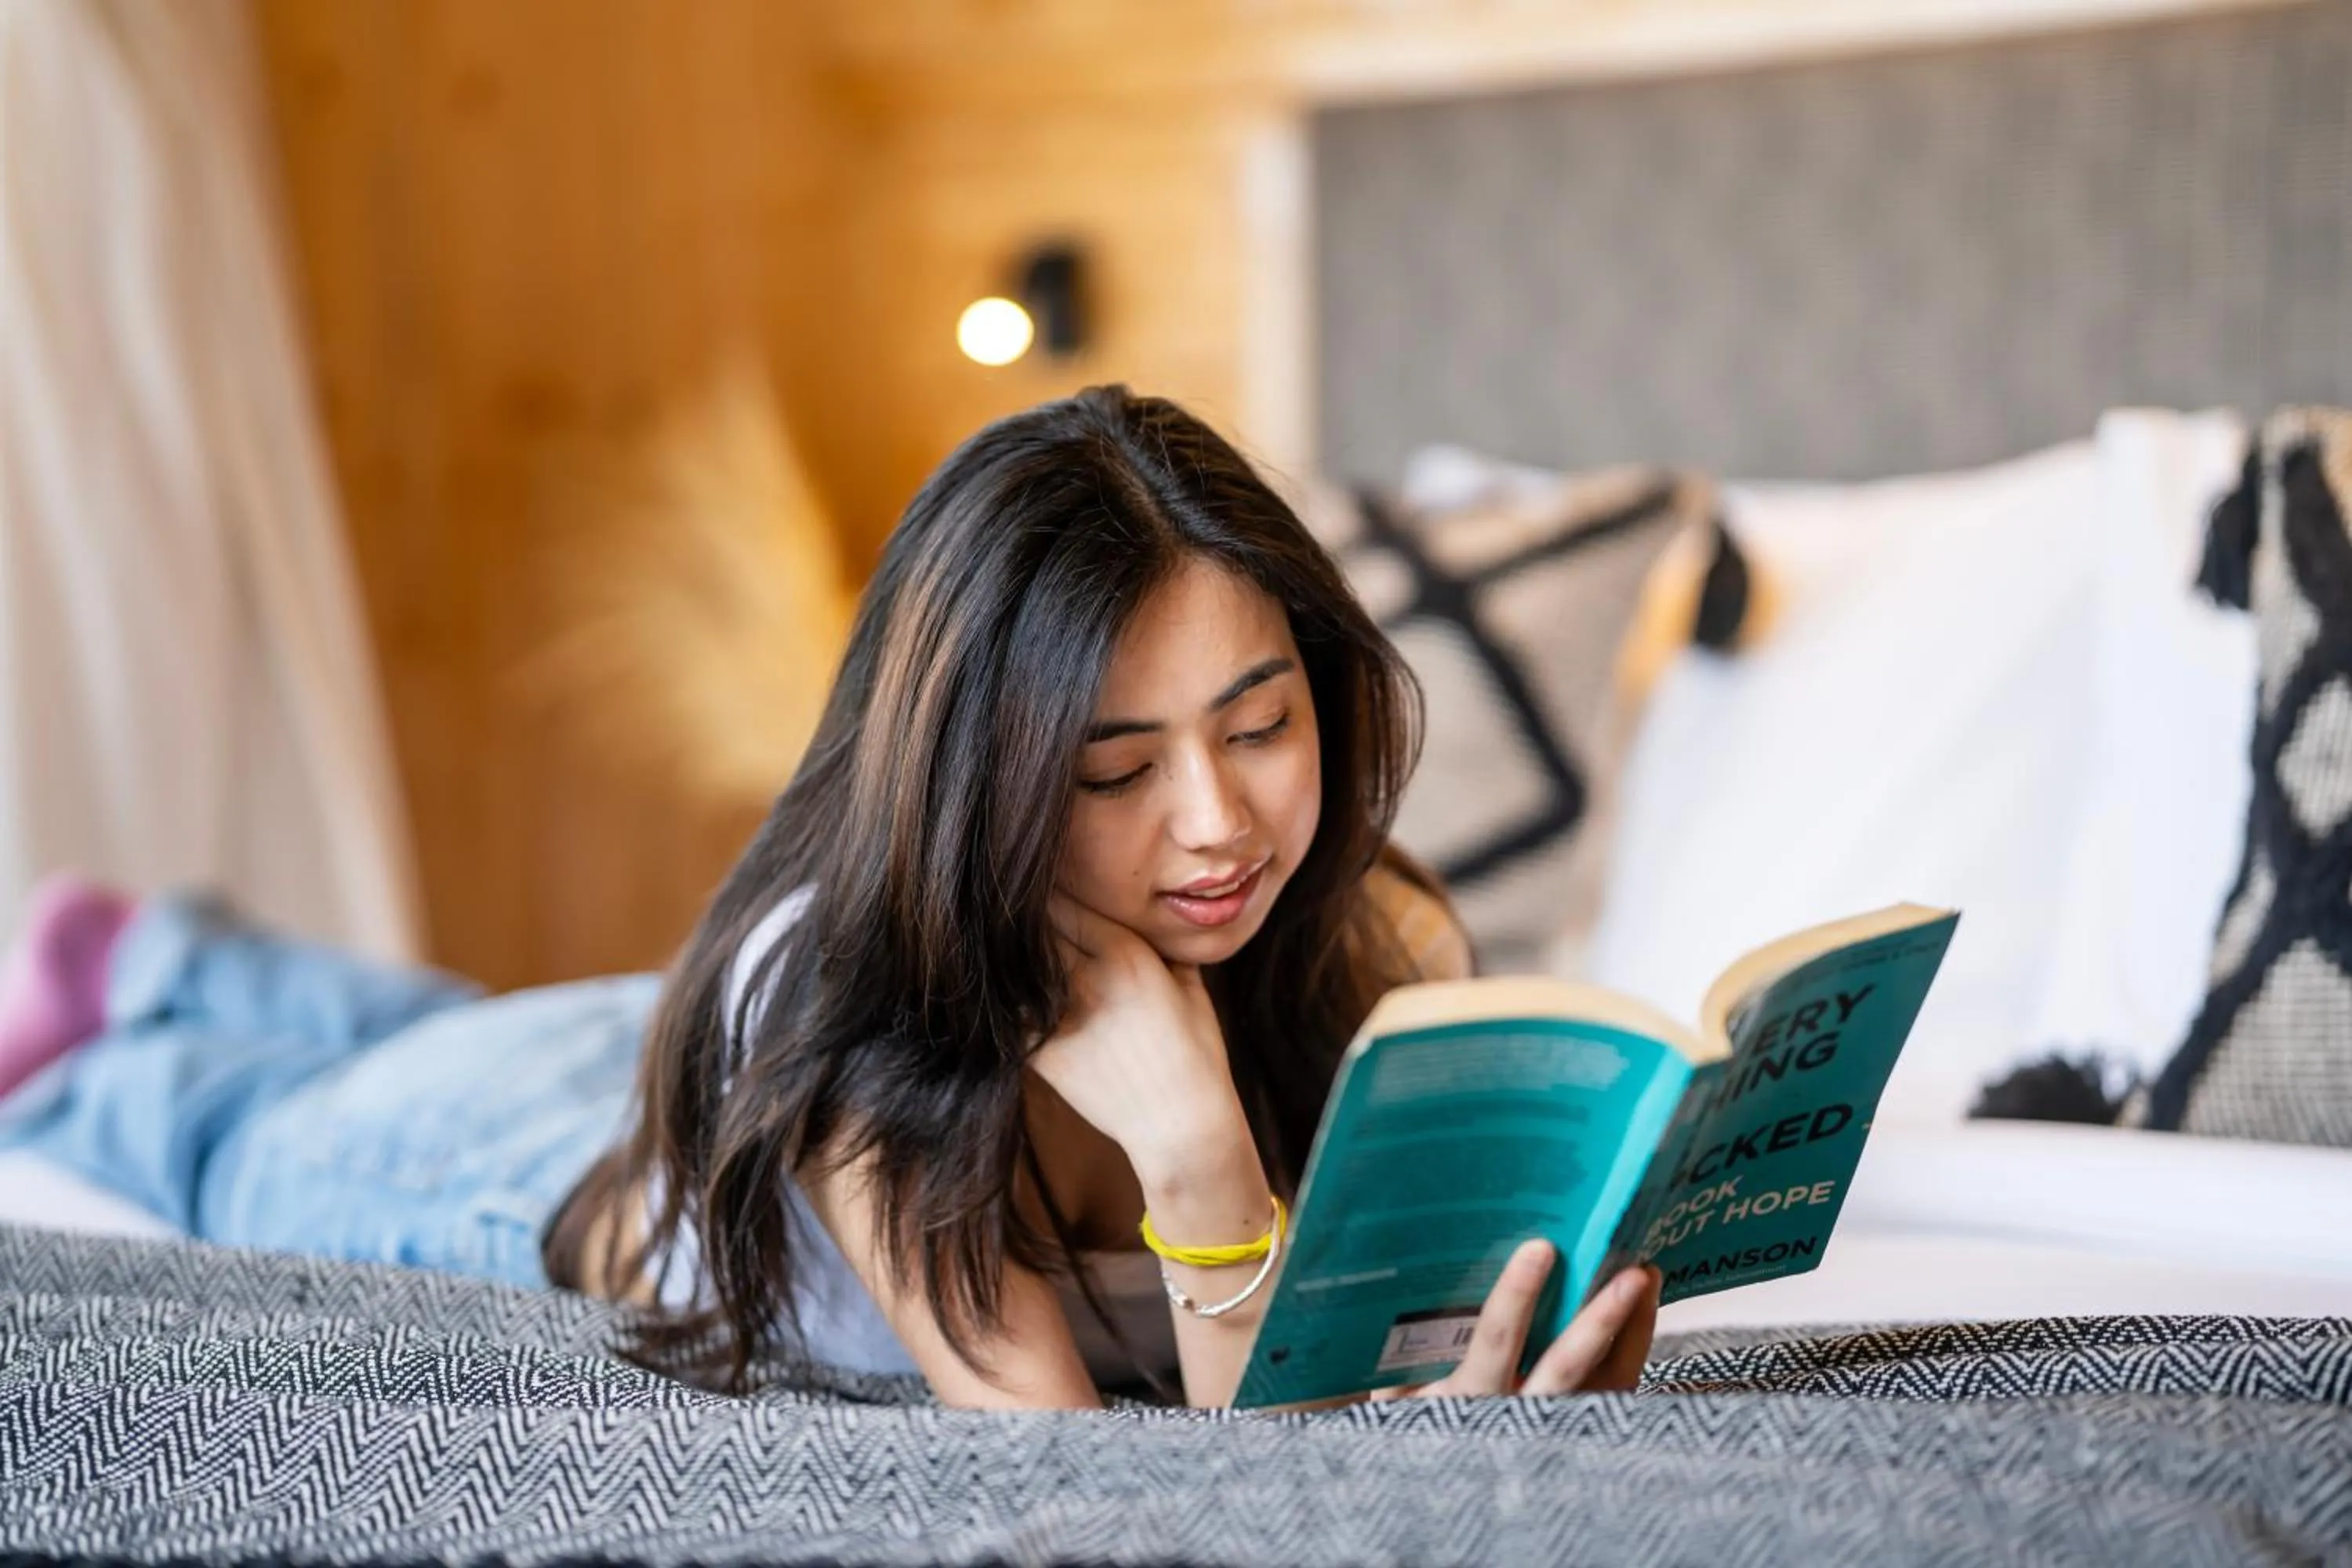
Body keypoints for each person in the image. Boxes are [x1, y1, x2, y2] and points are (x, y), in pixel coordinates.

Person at [0, 385, 1660, 1410]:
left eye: (1261, 724)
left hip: (644, 1042)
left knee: (478, 1015)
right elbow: (1192, 1501)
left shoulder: (1372, 933)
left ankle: (158, 947)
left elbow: (1321, 1412)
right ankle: (99, 1014)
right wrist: (1203, 1154)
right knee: (230, 1120)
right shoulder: (868, 1032)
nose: (1218, 824)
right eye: (1112, 771)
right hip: (528, 1176)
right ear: (976, 781)